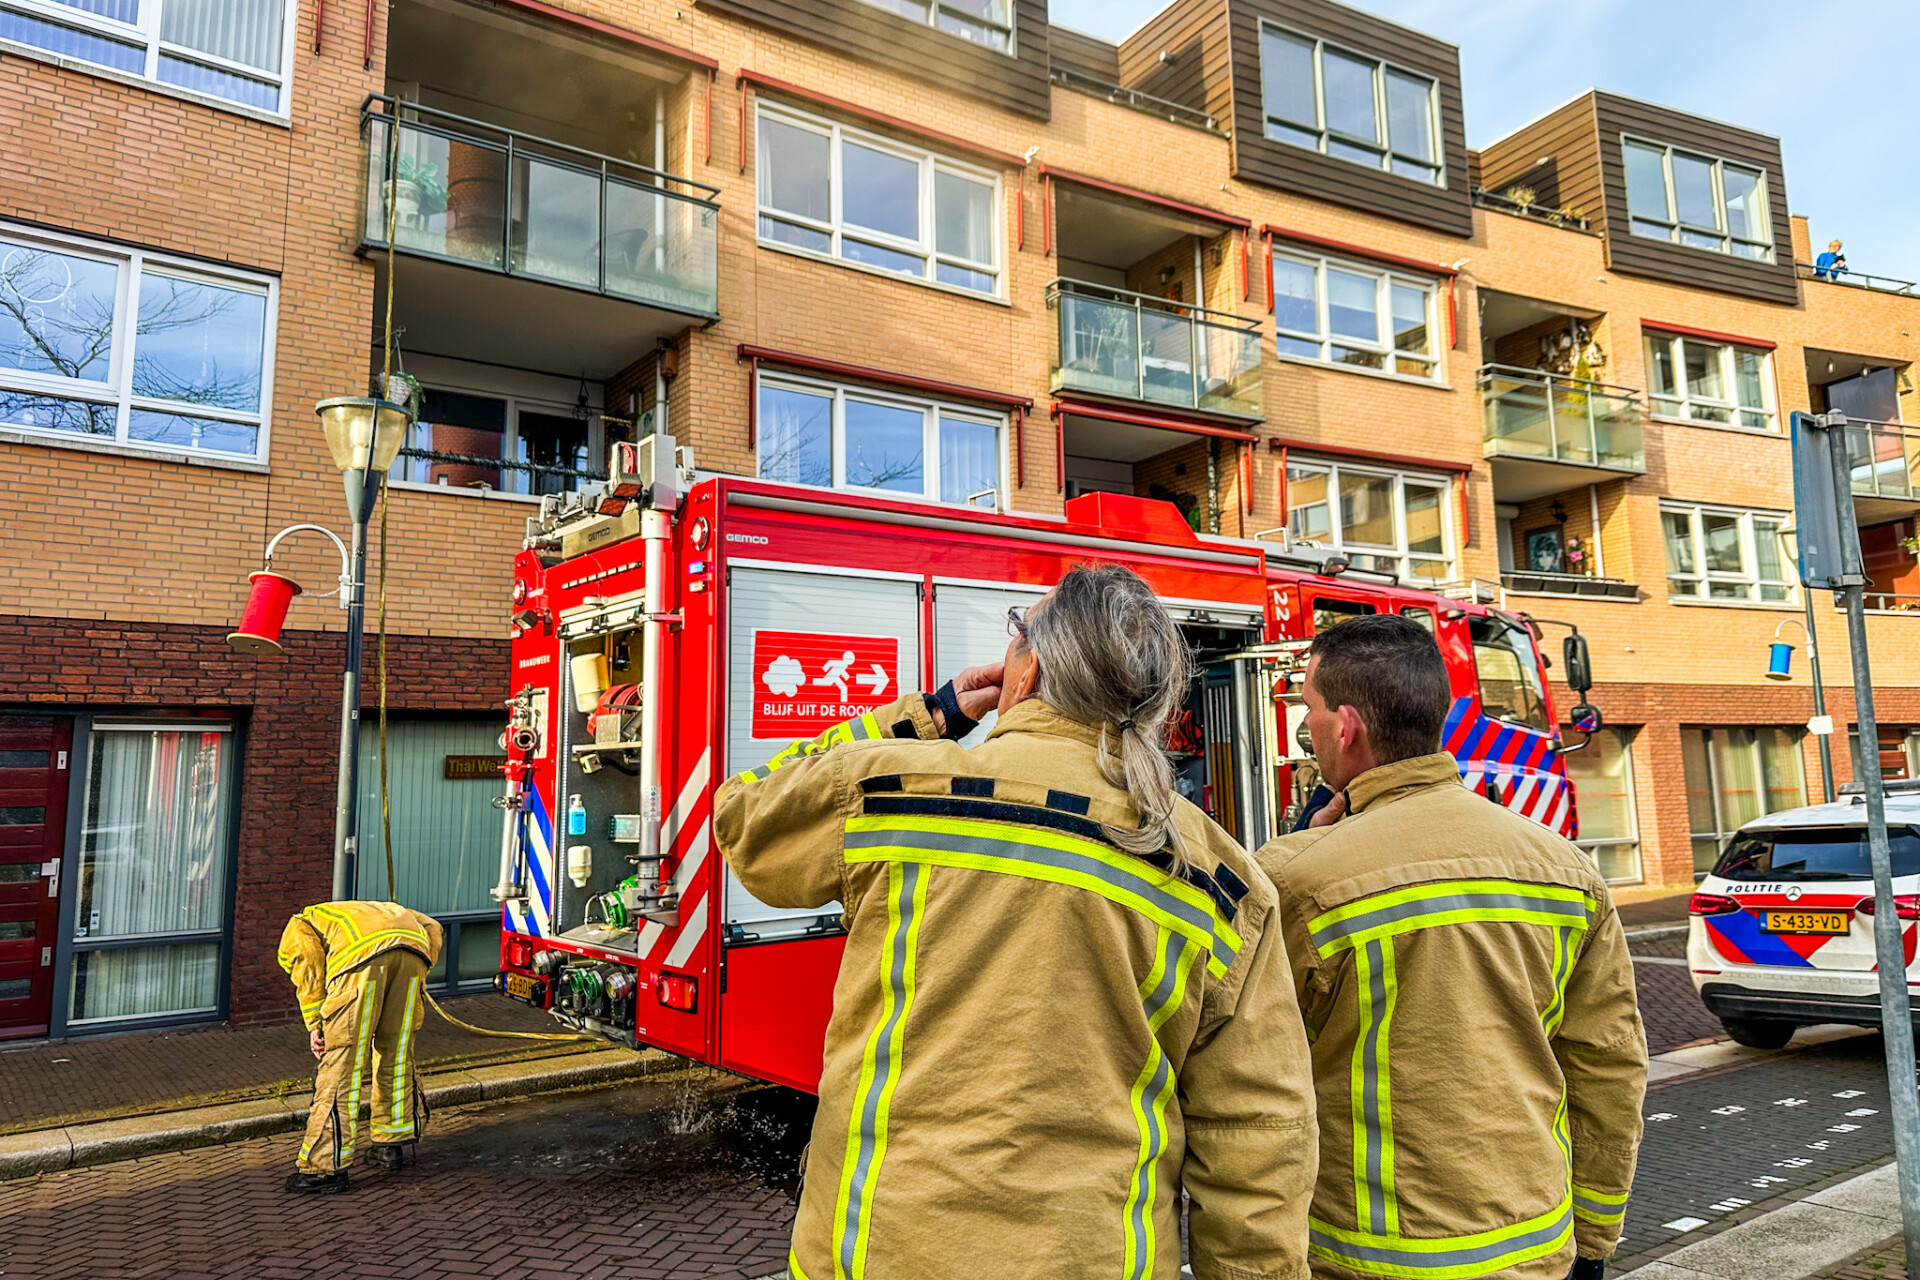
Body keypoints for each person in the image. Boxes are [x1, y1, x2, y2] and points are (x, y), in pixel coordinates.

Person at [715, 563, 1318, 1280]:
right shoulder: (1222, 878)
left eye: (1015, 636)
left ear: (1026, 668)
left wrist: (930, 715)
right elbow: (1258, 1137)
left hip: (882, 1255)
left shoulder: (892, 789)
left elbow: (745, 813)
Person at [1255, 616, 1645, 1280]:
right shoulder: (1568, 869)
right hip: (1535, 1250)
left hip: (1368, 1259)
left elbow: (1250, 1085)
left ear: (1345, 728)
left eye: (1309, 716)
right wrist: (1595, 1237)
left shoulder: (1296, 880)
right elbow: (1608, 1068)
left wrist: (1296, 850)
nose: (1309, 732)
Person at [277, 900, 444, 1193]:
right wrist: (420, 967)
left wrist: (315, 1021)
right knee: (396, 1053)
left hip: (360, 964)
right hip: (413, 954)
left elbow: (306, 960)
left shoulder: (299, 924)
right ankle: (391, 1144)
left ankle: (324, 1169)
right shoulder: (368, 910)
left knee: (342, 1067)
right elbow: (433, 927)